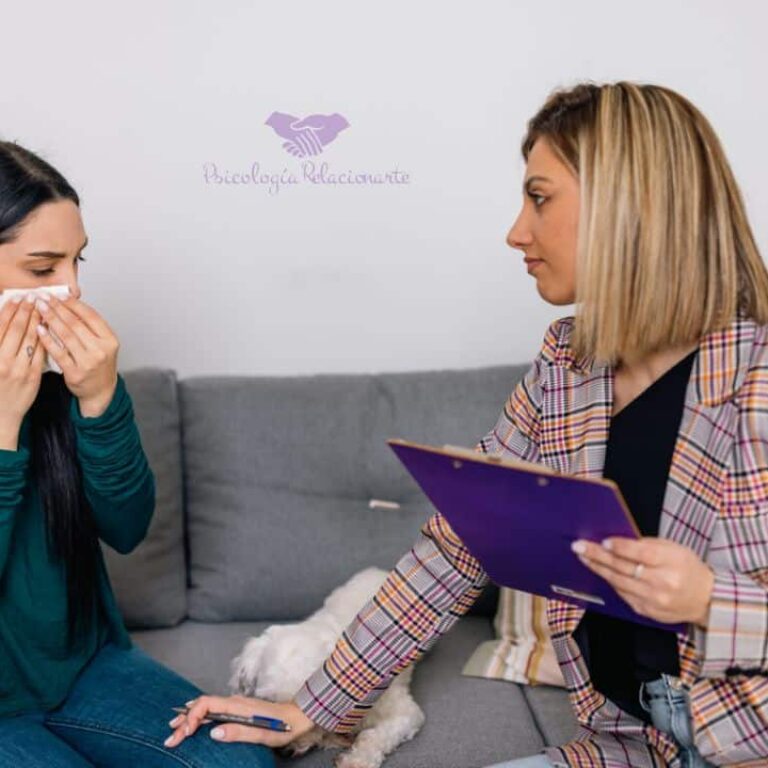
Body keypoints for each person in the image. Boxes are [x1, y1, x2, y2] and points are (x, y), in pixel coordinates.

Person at [167, 81, 768, 767]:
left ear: (632, 206)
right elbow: (460, 546)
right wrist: (309, 707)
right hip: (633, 745)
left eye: (539, 197)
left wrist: (708, 599)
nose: (516, 231)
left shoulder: (757, 375)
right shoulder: (565, 366)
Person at [0, 141, 275, 768]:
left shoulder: (62, 381)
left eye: (77, 263)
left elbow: (126, 528)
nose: (70, 291)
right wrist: (3, 428)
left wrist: (99, 402)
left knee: (243, 764)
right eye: (44, 270)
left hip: (84, 666)